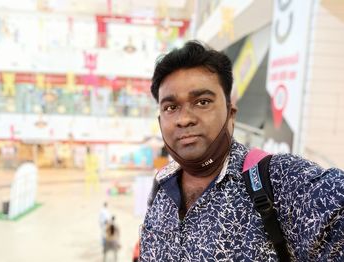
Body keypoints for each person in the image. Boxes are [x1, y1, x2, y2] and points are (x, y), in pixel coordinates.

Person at [139, 41, 344, 261]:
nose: (184, 119)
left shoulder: (278, 180)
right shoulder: (161, 186)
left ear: (231, 113)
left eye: (202, 102)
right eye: (171, 107)